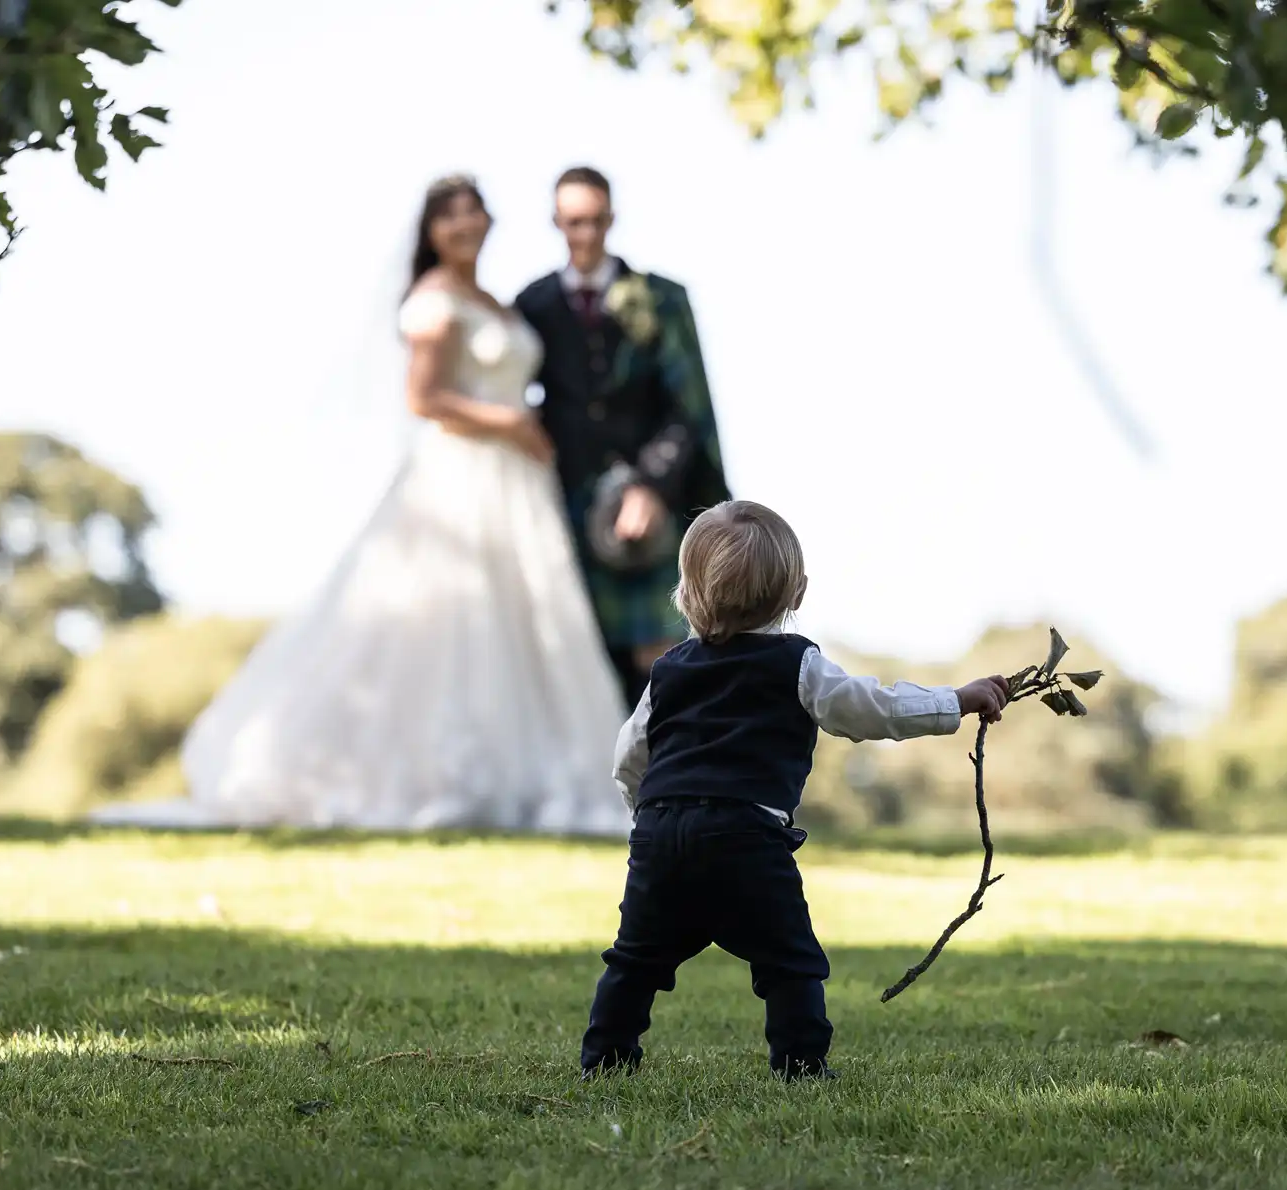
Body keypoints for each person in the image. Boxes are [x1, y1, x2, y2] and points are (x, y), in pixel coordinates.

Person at [97, 176, 627, 835]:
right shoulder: (434, 301)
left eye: (473, 210)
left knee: (528, 623)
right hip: (463, 476)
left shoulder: (497, 300)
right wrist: (509, 423)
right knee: (451, 622)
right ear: (431, 232)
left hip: (519, 485)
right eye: (449, 215)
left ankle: (532, 777)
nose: (464, 224)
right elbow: (425, 397)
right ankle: (434, 775)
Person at [580, 501, 1013, 1080]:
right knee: (788, 960)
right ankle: (801, 1064)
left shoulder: (668, 670)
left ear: (685, 591)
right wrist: (953, 700)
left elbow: (629, 756)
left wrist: (650, 820)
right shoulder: (797, 663)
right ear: (797, 593)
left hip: (662, 832)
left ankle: (605, 1061)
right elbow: (872, 710)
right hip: (745, 836)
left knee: (635, 958)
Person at [515, 166, 731, 712]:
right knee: (585, 657)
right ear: (555, 222)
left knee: (661, 663)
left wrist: (652, 487)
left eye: (595, 220)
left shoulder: (660, 298)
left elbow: (690, 406)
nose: (585, 233)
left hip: (653, 497)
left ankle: (662, 791)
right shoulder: (533, 304)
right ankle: (605, 794)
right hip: (566, 502)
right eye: (572, 222)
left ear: (612, 218)